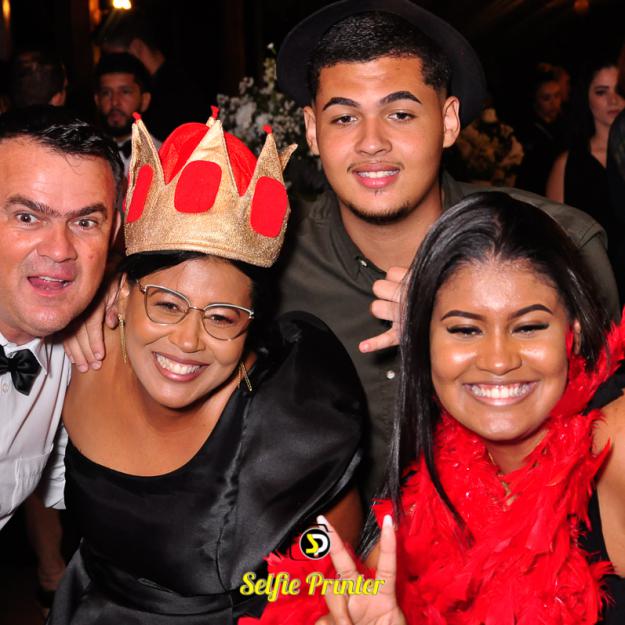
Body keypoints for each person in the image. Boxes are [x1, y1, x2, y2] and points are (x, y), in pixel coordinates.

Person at [71, 0, 620, 502]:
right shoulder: (268, 253)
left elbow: (601, 440)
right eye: (344, 117)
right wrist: (95, 305)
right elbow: (173, 305)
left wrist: (457, 326)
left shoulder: (559, 248)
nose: (371, 142)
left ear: (449, 120)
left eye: (400, 114)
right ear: (312, 130)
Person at [46, 113, 365, 624]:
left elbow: (329, 586)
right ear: (122, 292)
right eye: (167, 305)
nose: (188, 342)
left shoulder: (292, 430)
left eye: (221, 317)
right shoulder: (75, 354)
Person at [253, 192, 625, 625]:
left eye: (528, 327)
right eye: (465, 330)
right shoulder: (421, 501)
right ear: (421, 342)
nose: (498, 360)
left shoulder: (614, 446)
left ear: (573, 333)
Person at [0, 105, 122, 531]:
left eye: (85, 222)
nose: (59, 250)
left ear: (113, 232)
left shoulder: (77, 354)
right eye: (28, 217)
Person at [98, 10, 205, 141]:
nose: (115, 65)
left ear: (136, 47)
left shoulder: (178, 93)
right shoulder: (174, 82)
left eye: (118, 57)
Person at [546, 56, 625, 233]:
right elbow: (556, 236)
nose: (613, 100)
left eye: (619, 90)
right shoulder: (567, 163)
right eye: (601, 92)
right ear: (586, 97)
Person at [94, 52, 161, 175]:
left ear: (145, 100)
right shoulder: (85, 156)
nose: (114, 102)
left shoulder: (162, 157)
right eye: (106, 93)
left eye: (125, 92)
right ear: (97, 100)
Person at [516, 66, 565, 194]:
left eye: (557, 96)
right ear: (535, 101)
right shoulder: (528, 133)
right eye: (546, 98)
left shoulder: (567, 126)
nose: (554, 103)